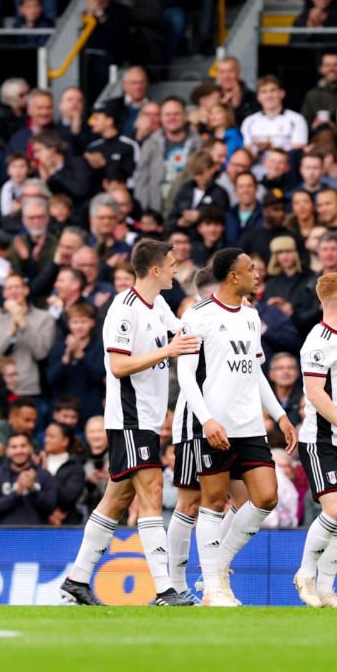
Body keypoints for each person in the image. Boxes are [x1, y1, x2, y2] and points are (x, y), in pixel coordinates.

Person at [60, 239, 200, 607]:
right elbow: (119, 365)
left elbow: (185, 334)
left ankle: (76, 579)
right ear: (155, 270)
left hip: (147, 418)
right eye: (171, 264)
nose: (175, 269)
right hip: (129, 416)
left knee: (116, 498)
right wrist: (168, 351)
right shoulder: (124, 308)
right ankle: (165, 590)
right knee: (151, 493)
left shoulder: (160, 304)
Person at [176, 248, 298, 607]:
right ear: (233, 276)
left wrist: (280, 415)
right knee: (213, 503)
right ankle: (214, 588)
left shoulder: (250, 315)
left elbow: (255, 371)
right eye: (251, 269)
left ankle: (215, 569)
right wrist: (206, 420)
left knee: (266, 497)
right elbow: (185, 375)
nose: (257, 275)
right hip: (215, 425)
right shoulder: (197, 315)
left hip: (250, 426)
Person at [293, 273, 337, 608]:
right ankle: (305, 574)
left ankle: (327, 590)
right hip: (321, 440)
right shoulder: (318, 341)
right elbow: (315, 393)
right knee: (335, 510)